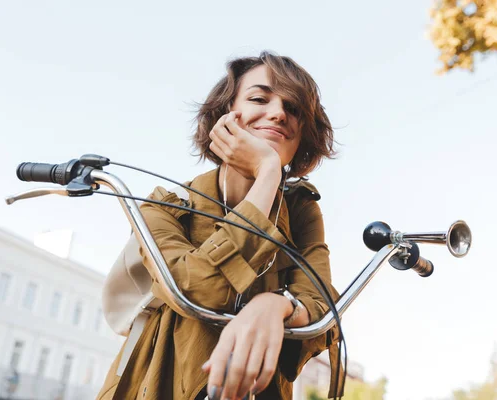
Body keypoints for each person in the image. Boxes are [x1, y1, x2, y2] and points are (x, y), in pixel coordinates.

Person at [97, 51, 341, 400]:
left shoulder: (301, 211)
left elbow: (321, 307)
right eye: (259, 98)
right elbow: (199, 290)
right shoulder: (163, 206)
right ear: (224, 116)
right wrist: (268, 170)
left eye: (295, 109)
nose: (278, 114)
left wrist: (276, 305)